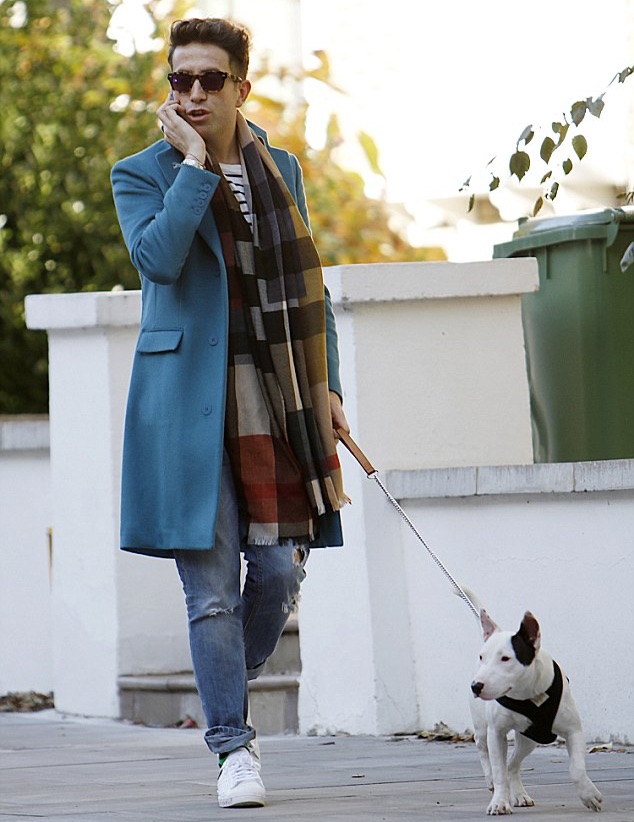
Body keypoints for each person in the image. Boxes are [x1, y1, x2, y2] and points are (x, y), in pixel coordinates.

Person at [110, 16, 349, 810]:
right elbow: (157, 259)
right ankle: (231, 749)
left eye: (211, 80)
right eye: (180, 80)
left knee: (277, 571)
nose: (194, 93)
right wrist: (191, 164)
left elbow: (311, 292)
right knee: (210, 593)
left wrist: (330, 388)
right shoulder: (141, 172)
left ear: (242, 88)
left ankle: (219, 691)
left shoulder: (280, 167)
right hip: (183, 407)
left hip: (273, 399)